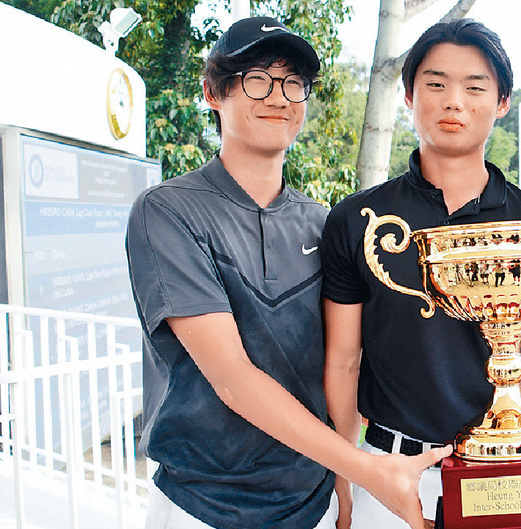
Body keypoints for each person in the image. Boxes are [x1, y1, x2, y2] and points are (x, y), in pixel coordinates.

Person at [126, 17, 449, 529]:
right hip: (203, 504)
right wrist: (366, 470)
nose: (278, 97)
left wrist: (343, 479)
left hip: (312, 501)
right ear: (213, 92)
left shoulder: (324, 222)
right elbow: (232, 377)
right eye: (257, 79)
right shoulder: (167, 211)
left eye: (293, 83)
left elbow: (343, 364)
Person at [320, 18, 521, 528]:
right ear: (409, 96)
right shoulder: (357, 220)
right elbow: (343, 363)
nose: (454, 102)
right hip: (390, 474)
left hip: (509, 478)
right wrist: (347, 476)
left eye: (475, 87)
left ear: (502, 103)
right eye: (436, 84)